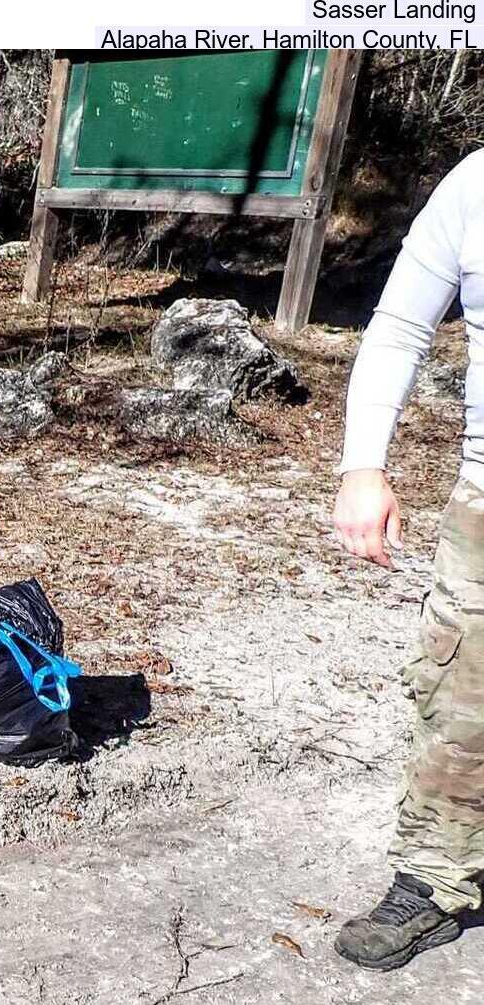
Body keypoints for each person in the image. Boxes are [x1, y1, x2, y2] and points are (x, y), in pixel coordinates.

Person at [332, 149, 484, 970]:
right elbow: (398, 327)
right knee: (462, 704)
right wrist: (363, 465)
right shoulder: (476, 185)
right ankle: (432, 883)